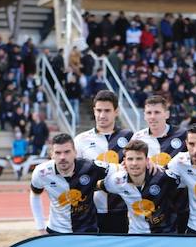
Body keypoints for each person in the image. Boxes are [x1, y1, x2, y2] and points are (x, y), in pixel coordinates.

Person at [73, 90, 133, 233]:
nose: (102, 115)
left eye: (107, 110)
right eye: (99, 110)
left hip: (120, 209)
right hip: (89, 211)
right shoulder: (81, 140)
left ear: (116, 111)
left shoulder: (129, 137)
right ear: (94, 110)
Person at [29, 133, 113, 234]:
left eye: (67, 152)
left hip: (88, 231)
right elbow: (35, 194)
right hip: (56, 230)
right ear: (52, 155)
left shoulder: (90, 166)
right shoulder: (41, 172)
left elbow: (117, 170)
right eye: (58, 153)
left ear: (75, 152)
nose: (62, 157)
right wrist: (40, 227)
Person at [132, 94, 190, 231]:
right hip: (151, 205)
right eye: (149, 113)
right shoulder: (138, 138)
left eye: (157, 112)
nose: (152, 117)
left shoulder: (183, 135)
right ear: (144, 115)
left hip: (180, 202)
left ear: (167, 114)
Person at [100, 139, 180, 233]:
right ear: (124, 161)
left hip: (164, 235)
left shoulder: (164, 178)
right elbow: (97, 185)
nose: (134, 163)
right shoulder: (117, 180)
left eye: (139, 158)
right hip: (136, 235)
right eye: (130, 159)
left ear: (147, 161)